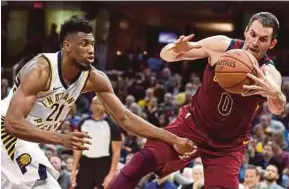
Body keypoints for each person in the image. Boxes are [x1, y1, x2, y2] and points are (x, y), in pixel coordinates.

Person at [1, 17, 195, 189]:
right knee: (45, 184)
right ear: (67, 46)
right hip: (6, 133)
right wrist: (60, 138)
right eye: (84, 44)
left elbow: (125, 118)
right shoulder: (41, 70)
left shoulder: (94, 78)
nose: (91, 50)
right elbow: (12, 123)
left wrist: (173, 139)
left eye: (92, 44)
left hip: (28, 140)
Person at [108, 12, 286, 189]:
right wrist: (175, 49)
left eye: (263, 39)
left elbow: (277, 108)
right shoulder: (222, 46)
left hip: (227, 145)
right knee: (143, 160)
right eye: (253, 34)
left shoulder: (268, 73)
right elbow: (166, 55)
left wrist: (276, 94)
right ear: (246, 31)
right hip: (192, 126)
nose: (255, 42)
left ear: (272, 43)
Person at [72, 96, 122, 189]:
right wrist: (74, 170)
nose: (98, 106)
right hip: (85, 163)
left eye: (101, 104)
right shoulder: (83, 122)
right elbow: (78, 148)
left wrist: (111, 174)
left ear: (106, 107)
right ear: (91, 106)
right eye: (96, 104)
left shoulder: (112, 125)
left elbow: (116, 152)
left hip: (104, 164)